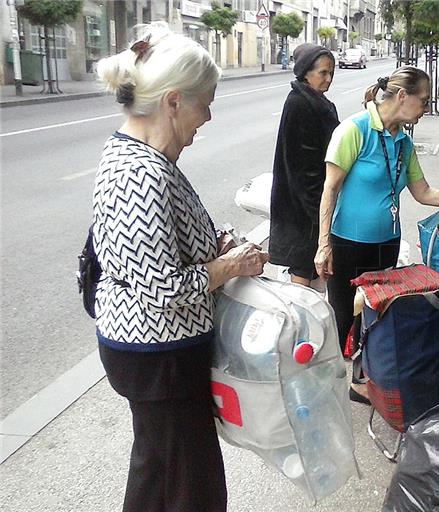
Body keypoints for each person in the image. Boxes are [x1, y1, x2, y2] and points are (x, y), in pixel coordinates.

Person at [93, 22, 269, 511]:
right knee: (190, 484)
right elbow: (165, 288)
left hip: (158, 354)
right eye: (205, 102)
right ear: (173, 101)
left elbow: (163, 246)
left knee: (161, 473)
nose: (208, 116)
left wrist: (214, 246)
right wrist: (229, 266)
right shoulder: (139, 172)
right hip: (158, 356)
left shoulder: (146, 158)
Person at [314, 66, 439, 403]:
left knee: (376, 314)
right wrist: (323, 244)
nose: (426, 108)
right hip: (348, 243)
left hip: (386, 243)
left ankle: (362, 378)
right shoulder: (354, 130)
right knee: (343, 315)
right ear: (402, 96)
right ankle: (323, 389)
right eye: (423, 100)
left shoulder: (403, 142)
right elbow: (330, 189)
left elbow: (422, 191)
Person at [269, 43, 339, 287]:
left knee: (310, 268)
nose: (329, 78)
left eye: (332, 72)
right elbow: (304, 172)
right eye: (323, 73)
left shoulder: (318, 101)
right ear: (305, 72)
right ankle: (298, 323)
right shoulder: (300, 104)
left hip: (312, 204)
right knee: (303, 269)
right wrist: (322, 218)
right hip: (303, 209)